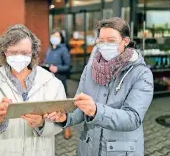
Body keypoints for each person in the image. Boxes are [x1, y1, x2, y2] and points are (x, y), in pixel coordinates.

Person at [45, 17, 154, 156]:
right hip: (88, 148)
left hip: (120, 151)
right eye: (101, 41)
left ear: (125, 42)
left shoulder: (141, 74)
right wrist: (66, 118)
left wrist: (96, 111)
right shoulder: (90, 69)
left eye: (111, 40)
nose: (105, 45)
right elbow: (80, 107)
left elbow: (133, 118)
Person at [0, 24, 66, 156]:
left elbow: (60, 123)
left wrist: (42, 124)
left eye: (24, 53)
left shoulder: (51, 83)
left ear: (33, 52)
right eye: (13, 52)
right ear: (4, 52)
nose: (19, 57)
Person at [44, 29, 72, 139]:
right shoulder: (49, 49)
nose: (54, 38)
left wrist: (58, 68)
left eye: (57, 36)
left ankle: (67, 128)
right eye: (53, 36)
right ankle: (53, 127)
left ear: (60, 38)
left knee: (63, 105)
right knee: (51, 105)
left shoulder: (63, 50)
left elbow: (68, 66)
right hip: (49, 81)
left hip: (60, 80)